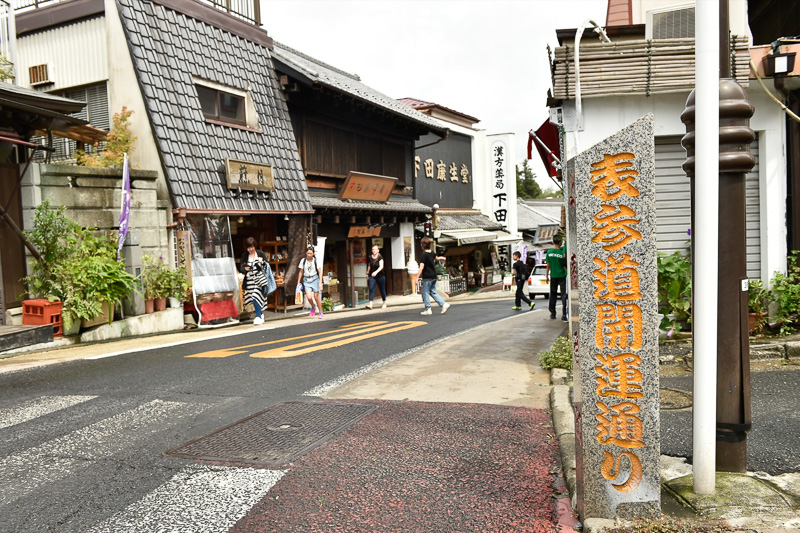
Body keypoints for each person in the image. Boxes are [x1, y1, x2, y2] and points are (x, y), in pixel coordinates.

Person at [240, 236, 274, 325]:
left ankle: (258, 316)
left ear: (255, 246)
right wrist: (245, 268)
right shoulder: (244, 256)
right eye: (249, 247)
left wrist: (262, 262)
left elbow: (267, 266)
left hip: (260, 281)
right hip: (250, 281)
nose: (251, 249)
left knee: (256, 296)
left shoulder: (260, 254)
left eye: (252, 247)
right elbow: (241, 268)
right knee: (254, 298)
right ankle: (261, 314)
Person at [418, 236, 450, 316]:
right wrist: (441, 258)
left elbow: (421, 267)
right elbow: (436, 258)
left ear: (423, 245)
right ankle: (443, 304)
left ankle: (428, 309)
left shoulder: (423, 255)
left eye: (421, 244)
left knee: (424, 292)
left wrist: (416, 277)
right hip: (433, 275)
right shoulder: (432, 252)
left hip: (427, 276)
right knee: (432, 291)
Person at [545, 235, 568, 321]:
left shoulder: (549, 252)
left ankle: (553, 313)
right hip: (562, 275)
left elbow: (548, 265)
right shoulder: (562, 253)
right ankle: (564, 314)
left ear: (553, 241)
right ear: (560, 242)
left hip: (553, 275)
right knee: (563, 295)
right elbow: (565, 265)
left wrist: (546, 276)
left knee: (553, 294)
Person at [299, 245, 324, 318]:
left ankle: (320, 312)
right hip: (306, 279)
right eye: (308, 253)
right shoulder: (303, 261)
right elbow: (300, 271)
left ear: (313, 253)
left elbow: (320, 272)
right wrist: (298, 282)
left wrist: (320, 283)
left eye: (310, 253)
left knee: (316, 297)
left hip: (315, 279)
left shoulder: (316, 261)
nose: (309, 255)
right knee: (309, 297)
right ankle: (313, 306)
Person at [366, 244, 387, 310]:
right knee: (371, 288)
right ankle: (370, 304)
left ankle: (384, 302)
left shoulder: (380, 257)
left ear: (378, 250)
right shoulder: (370, 257)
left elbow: (381, 266)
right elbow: (369, 266)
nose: (374, 251)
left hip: (380, 276)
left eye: (375, 249)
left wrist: (376, 272)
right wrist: (367, 273)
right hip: (372, 276)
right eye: (373, 249)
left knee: (382, 289)